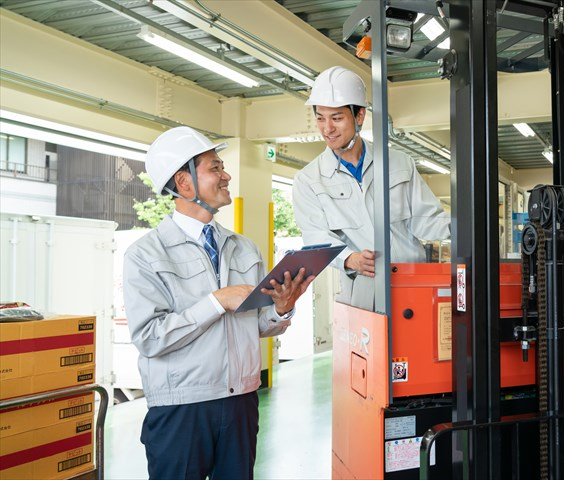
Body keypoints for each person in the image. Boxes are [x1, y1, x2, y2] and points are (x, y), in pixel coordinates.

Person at [123, 126, 314, 480]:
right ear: (184, 183)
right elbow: (149, 337)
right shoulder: (145, 255)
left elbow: (256, 325)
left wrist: (283, 307)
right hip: (182, 407)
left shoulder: (244, 247)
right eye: (215, 168)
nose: (226, 175)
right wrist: (215, 302)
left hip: (241, 401)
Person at [292, 66, 450, 310]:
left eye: (336, 118)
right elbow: (316, 237)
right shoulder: (309, 180)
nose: (327, 129)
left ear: (359, 116)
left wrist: (464, 229)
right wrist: (349, 259)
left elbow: (426, 220)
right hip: (363, 291)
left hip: (414, 282)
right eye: (320, 118)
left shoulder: (398, 163)